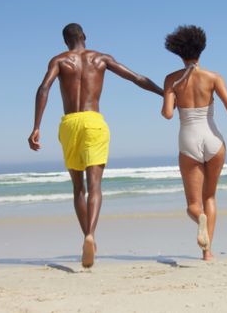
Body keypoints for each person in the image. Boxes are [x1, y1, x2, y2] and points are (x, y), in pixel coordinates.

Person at [28, 23, 163, 268]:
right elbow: (136, 78)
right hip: (93, 121)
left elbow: (43, 88)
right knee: (95, 187)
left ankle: (87, 237)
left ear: (65, 41)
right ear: (84, 37)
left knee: (78, 188)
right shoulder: (100, 58)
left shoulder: (59, 60)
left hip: (69, 124)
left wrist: (36, 127)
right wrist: (164, 94)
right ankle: (91, 233)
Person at [161, 25, 227, 261]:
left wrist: (169, 96)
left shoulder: (172, 80)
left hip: (188, 139)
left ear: (178, 52)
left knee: (194, 205)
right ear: (201, 49)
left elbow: (168, 114)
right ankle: (208, 253)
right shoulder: (213, 77)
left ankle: (198, 218)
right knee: (210, 197)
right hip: (213, 139)